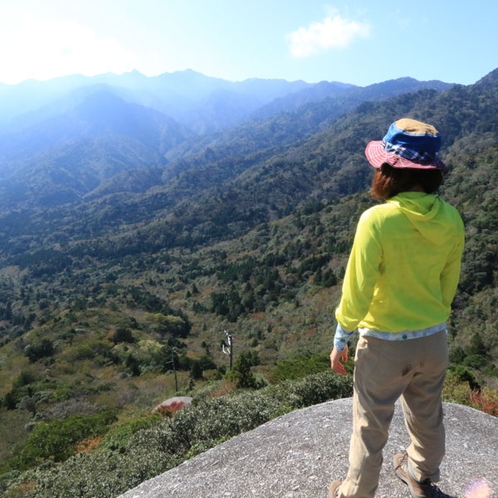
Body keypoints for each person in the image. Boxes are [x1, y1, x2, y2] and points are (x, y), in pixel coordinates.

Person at [328, 118, 465, 498]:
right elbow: (446, 287)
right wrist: (433, 320)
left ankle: (356, 492)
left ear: (389, 172)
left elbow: (357, 288)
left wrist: (342, 336)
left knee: (370, 427)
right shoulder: (452, 219)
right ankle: (421, 475)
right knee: (428, 417)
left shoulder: (377, 220)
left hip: (384, 344)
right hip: (433, 339)